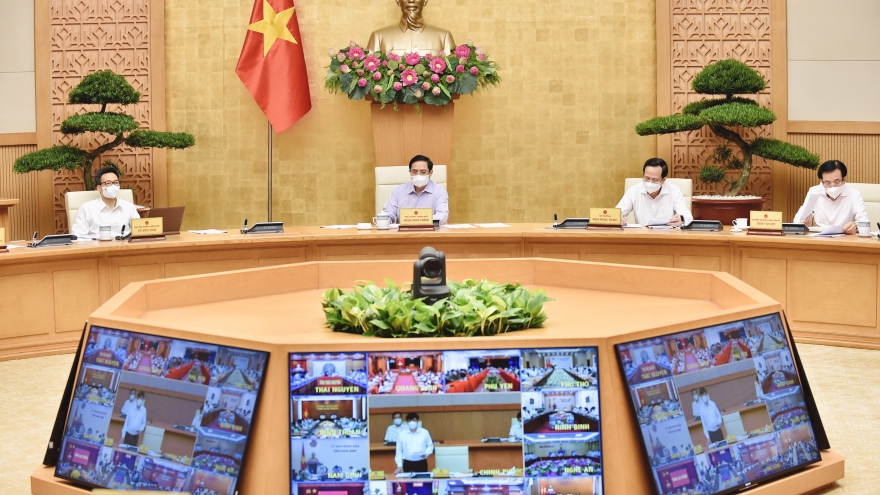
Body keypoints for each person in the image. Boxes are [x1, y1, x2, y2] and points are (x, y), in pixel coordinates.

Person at [793, 160, 868, 234]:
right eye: (827, 183)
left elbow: (864, 220)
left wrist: (856, 225)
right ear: (822, 181)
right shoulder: (815, 191)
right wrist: (803, 223)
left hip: (845, 237)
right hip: (819, 236)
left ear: (844, 180)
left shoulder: (854, 194)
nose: (832, 186)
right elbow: (799, 219)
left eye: (837, 182)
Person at [617, 158, 693, 227]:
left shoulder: (675, 191)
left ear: (663, 180)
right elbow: (617, 214)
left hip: (667, 235)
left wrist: (682, 220)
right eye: (647, 178)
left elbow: (687, 217)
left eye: (655, 180)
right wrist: (619, 219)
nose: (650, 183)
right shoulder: (634, 190)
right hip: (642, 235)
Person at [71, 165, 140, 238]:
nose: (113, 186)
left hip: (124, 244)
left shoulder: (129, 207)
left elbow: (139, 232)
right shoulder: (86, 208)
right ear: (99, 188)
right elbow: (77, 237)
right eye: (108, 183)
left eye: (116, 182)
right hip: (96, 245)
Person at [366, 0, 455, 56]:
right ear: (398, 1)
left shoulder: (444, 37)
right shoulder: (378, 37)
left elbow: (453, 75)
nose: (411, 0)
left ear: (425, 1)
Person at [381, 154, 449, 225]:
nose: (418, 175)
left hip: (430, 231)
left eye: (423, 172)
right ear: (410, 172)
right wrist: (385, 221)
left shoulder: (439, 191)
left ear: (430, 173)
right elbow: (387, 213)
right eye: (414, 172)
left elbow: (442, 216)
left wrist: (416, 220)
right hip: (404, 231)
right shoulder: (399, 191)